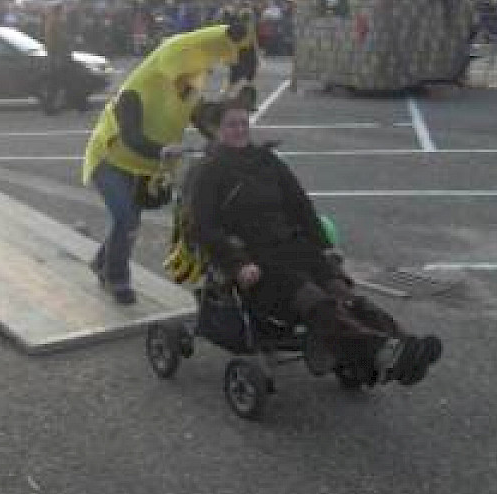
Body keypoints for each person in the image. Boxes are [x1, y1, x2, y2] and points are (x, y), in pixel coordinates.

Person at [189, 101, 441, 386]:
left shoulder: (266, 161)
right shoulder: (208, 172)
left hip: (293, 248)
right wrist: (238, 264)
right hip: (256, 261)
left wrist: (324, 246)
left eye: (243, 123)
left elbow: (301, 207)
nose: (239, 130)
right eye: (231, 125)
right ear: (216, 129)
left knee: (344, 294)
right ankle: (381, 350)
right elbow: (205, 228)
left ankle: (405, 346)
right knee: (315, 301)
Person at [82, 16, 253, 304]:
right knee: (126, 218)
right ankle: (116, 278)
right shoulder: (135, 91)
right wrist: (161, 150)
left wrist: (227, 138)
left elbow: (203, 119)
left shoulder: (187, 89)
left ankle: (103, 261)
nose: (193, 78)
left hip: (143, 168)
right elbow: (131, 137)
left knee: (128, 220)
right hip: (109, 159)